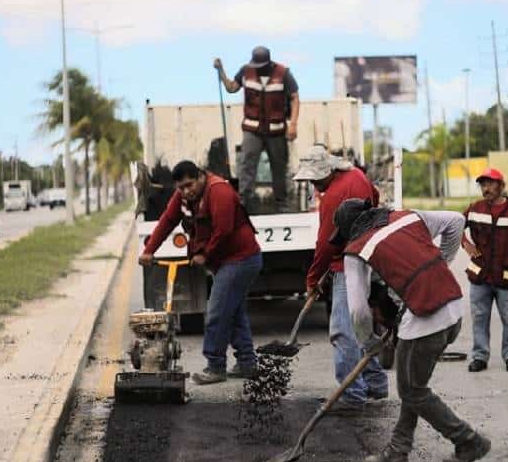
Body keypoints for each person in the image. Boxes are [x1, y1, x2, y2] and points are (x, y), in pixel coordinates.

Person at [333, 199, 490, 462]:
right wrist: (442, 262)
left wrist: (367, 341)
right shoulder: (407, 217)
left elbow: (357, 310)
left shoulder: (355, 251)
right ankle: (397, 452)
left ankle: (468, 440)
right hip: (452, 309)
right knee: (414, 388)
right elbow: (456, 221)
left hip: (426, 320)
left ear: (350, 230)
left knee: (412, 390)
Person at [139, 161, 263, 384]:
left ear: (200, 176)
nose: (186, 191)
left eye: (189, 185)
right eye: (181, 188)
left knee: (216, 312)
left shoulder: (219, 191)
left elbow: (223, 230)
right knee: (233, 312)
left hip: (241, 259)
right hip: (226, 261)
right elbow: (167, 221)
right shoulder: (184, 197)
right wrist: (149, 251)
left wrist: (204, 254)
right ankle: (247, 363)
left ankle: (215, 366)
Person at [292, 146, 387, 410]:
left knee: (342, 331)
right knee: (361, 326)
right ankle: (376, 384)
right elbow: (375, 197)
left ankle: (352, 396)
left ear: (327, 171)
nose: (313, 184)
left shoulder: (333, 196)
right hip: (369, 254)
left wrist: (312, 279)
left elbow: (324, 244)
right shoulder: (357, 175)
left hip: (350, 263)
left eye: (314, 179)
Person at [462, 168, 508, 373]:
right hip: (480, 276)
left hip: (507, 277)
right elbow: (456, 226)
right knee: (479, 319)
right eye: (483, 185)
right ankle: (479, 357)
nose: (486, 188)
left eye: (490, 184)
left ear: (501, 186)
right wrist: (466, 245)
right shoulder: (475, 209)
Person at [214, 46, 300, 211]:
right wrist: (221, 71)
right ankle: (244, 202)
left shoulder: (283, 73)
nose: (258, 69)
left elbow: (295, 97)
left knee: (279, 167)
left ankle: (282, 204)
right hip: (252, 129)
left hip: (276, 131)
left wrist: (293, 124)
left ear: (269, 63)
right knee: (247, 165)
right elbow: (232, 88)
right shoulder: (246, 71)